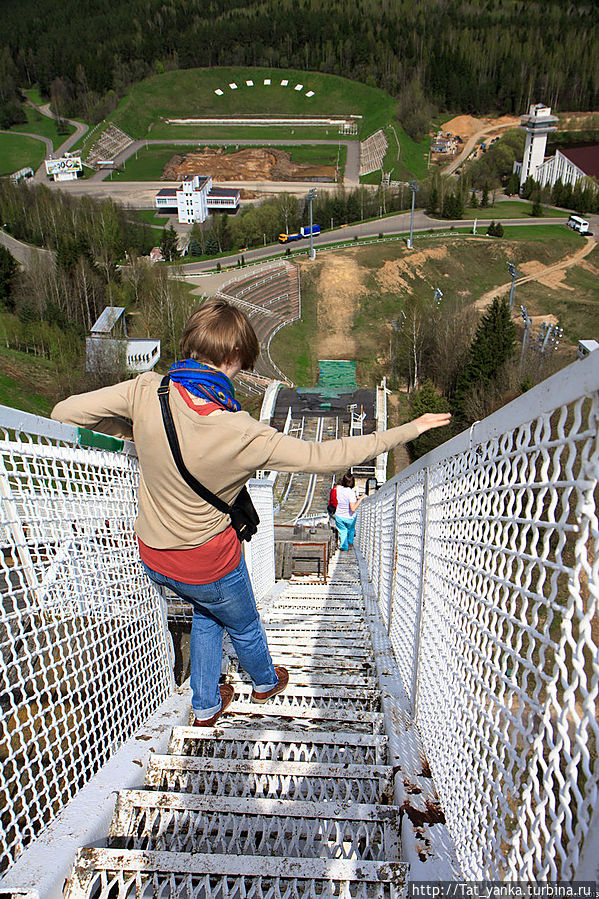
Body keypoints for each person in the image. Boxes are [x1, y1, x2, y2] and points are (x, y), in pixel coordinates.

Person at [51, 299, 451, 727]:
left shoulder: (147, 389)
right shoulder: (242, 432)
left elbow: (64, 413)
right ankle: (263, 681)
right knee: (241, 623)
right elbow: (326, 453)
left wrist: (138, 433)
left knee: (206, 612)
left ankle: (205, 704)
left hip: (154, 555)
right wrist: (411, 428)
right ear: (231, 358)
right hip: (207, 561)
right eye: (241, 362)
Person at [334, 471, 365, 551]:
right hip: (349, 518)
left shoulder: (339, 489)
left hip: (339, 516)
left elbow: (338, 488)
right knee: (351, 530)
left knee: (343, 531)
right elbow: (353, 508)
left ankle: (344, 547)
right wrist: (360, 499)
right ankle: (350, 543)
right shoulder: (351, 493)